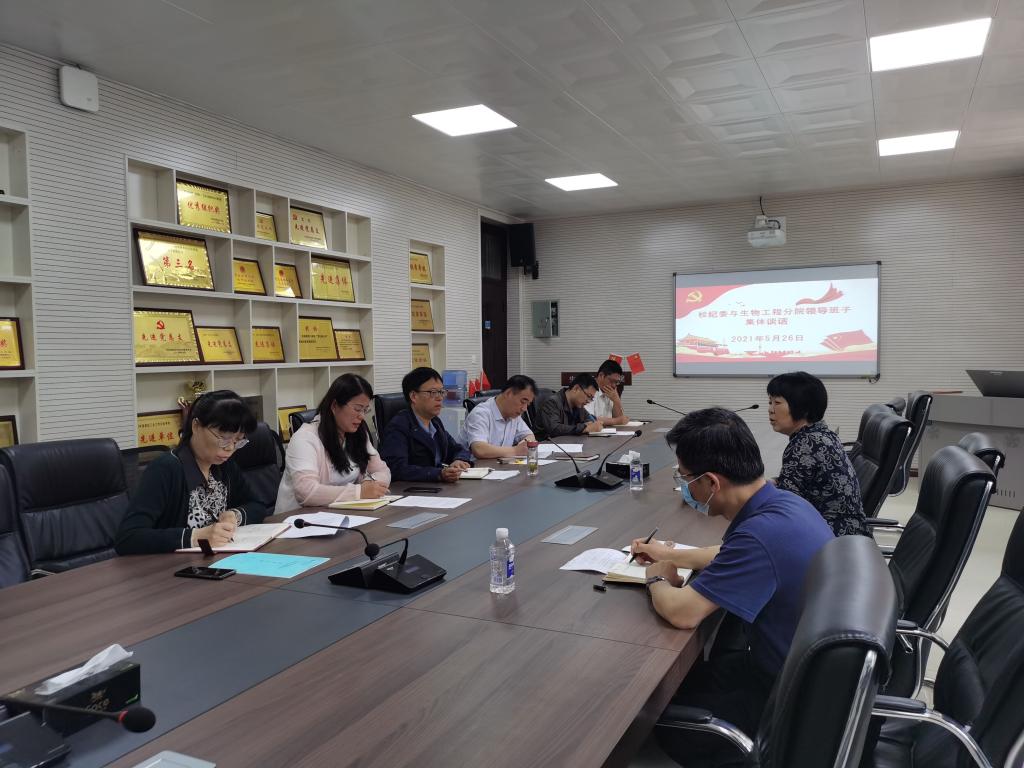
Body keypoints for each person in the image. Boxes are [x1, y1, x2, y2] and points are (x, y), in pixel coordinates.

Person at [630, 408, 833, 767]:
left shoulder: (759, 535)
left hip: (784, 699)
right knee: (688, 682)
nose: (684, 486)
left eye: (685, 477)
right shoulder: (781, 503)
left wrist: (657, 577)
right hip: (804, 671)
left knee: (659, 721)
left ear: (711, 482)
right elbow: (726, 553)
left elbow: (683, 613)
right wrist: (669, 553)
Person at [115, 390, 268, 554]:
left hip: (218, 559)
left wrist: (235, 515)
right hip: (174, 566)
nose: (230, 448)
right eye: (224, 438)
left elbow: (257, 505)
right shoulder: (165, 469)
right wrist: (195, 537)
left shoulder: (224, 466)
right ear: (196, 426)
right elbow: (128, 538)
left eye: (238, 441)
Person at [767, 371, 867, 537]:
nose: (770, 410)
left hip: (832, 537)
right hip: (849, 532)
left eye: (777, 403)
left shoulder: (805, 444)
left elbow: (787, 507)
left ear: (804, 408)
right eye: (769, 402)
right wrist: (776, 482)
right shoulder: (822, 434)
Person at [274, 373, 391, 514]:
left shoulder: (358, 433)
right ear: (335, 406)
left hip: (342, 514)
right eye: (357, 409)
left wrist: (370, 484)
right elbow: (307, 492)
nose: (361, 416)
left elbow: (382, 470)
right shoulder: (305, 439)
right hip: (298, 519)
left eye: (365, 410)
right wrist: (359, 492)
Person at [380, 367, 473, 483]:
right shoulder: (398, 427)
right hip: (412, 490)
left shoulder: (435, 422)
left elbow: (458, 449)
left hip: (437, 487)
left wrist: (459, 460)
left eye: (441, 392)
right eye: (433, 392)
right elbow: (396, 468)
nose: (440, 398)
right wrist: (438, 474)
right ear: (413, 396)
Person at [460, 374, 537, 459]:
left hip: (499, 465)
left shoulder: (514, 415)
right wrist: (516, 451)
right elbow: (479, 450)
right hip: (474, 466)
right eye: (523, 402)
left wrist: (524, 445)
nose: (525, 409)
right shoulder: (480, 414)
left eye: (527, 404)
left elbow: (529, 435)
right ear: (508, 393)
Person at [538, 373, 605, 437]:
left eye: (591, 398)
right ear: (576, 388)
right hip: (546, 443)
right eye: (588, 396)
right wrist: (584, 428)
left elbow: (589, 419)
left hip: (567, 442)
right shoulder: (552, 403)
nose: (588, 401)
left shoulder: (579, 405)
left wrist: (592, 424)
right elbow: (555, 429)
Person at [585, 359, 630, 426]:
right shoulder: (588, 389)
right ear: (601, 375)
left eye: (616, 382)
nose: (614, 385)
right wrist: (615, 421)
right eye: (611, 381)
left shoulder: (610, 391)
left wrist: (616, 400)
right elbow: (588, 418)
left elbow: (620, 419)